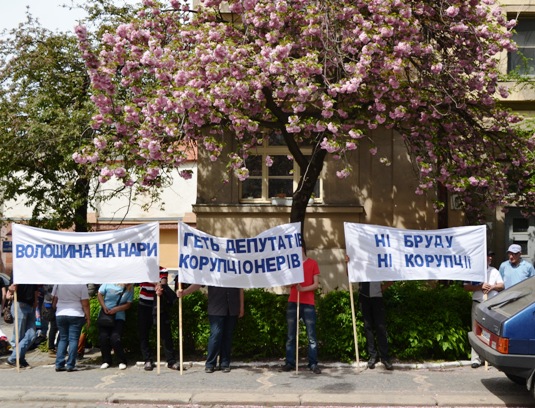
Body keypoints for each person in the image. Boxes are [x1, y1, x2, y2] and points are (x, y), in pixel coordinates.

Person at [178, 285, 244, 373]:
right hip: (216, 307)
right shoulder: (212, 271)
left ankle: (224, 363)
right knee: (216, 334)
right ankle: (210, 363)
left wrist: (241, 306)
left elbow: (240, 287)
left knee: (227, 336)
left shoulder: (234, 271)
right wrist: (185, 292)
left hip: (232, 306)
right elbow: (199, 282)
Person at [281, 246, 321, 374]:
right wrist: (293, 283)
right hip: (293, 302)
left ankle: (313, 363)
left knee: (311, 336)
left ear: (302, 249)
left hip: (308, 303)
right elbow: (285, 284)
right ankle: (289, 362)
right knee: (291, 335)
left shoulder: (313, 263)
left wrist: (303, 289)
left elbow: (316, 284)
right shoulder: (292, 265)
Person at [463, 250, 504, 368]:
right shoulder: (473, 271)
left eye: (491, 256)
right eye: (488, 256)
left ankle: (489, 358)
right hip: (478, 303)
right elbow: (466, 287)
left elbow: (502, 285)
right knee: (476, 329)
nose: (490, 258)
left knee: (490, 331)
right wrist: (479, 287)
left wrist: (492, 287)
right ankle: (475, 359)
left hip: (491, 305)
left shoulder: (494, 271)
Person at [138, 267, 182, 371]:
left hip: (158, 302)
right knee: (143, 332)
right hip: (144, 302)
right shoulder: (141, 264)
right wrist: (155, 284)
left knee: (165, 332)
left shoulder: (162, 267)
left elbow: (163, 280)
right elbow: (142, 277)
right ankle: (147, 359)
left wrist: (160, 286)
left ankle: (171, 361)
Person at [52, 284, 91, 372]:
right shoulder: (81, 284)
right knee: (73, 339)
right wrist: (88, 317)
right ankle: (70, 365)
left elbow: (54, 300)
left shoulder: (58, 283)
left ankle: (59, 364)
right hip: (76, 313)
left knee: (63, 339)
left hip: (60, 313)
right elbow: (85, 303)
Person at [97, 283, 134, 370]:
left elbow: (128, 304)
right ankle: (106, 360)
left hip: (118, 316)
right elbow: (99, 294)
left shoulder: (129, 287)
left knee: (115, 338)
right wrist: (104, 306)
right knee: (103, 338)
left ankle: (121, 360)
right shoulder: (108, 282)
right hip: (105, 315)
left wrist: (117, 309)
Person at [5, 282, 39, 367]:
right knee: (19, 336)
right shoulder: (18, 270)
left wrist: (35, 301)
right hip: (20, 304)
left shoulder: (32, 273)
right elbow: (11, 288)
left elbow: (35, 289)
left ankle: (14, 357)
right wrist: (11, 288)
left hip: (31, 306)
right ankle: (19, 358)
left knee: (32, 334)